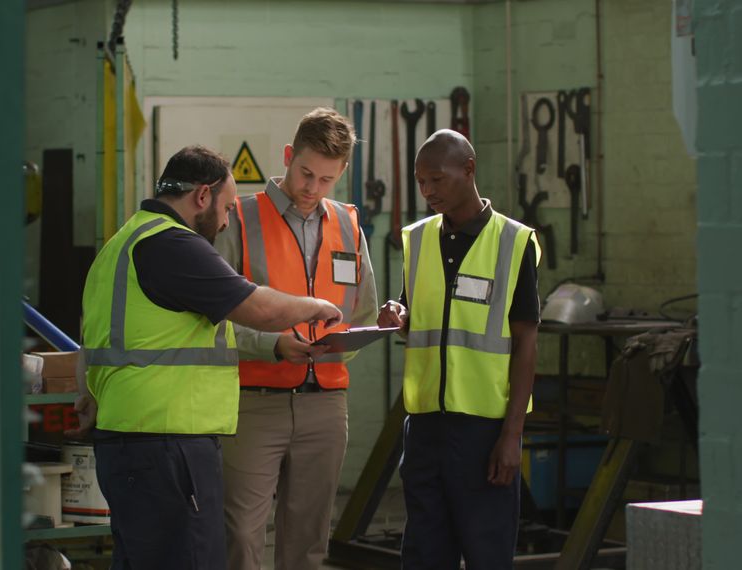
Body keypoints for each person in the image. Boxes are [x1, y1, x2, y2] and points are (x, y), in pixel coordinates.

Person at [71, 145, 344, 570]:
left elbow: (90, 339)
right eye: (227, 207)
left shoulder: (120, 244)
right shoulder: (172, 244)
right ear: (202, 196)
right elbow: (259, 308)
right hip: (169, 446)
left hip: (124, 440)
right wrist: (316, 306)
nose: (226, 219)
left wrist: (85, 393)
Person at [214, 108, 378, 570]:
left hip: (325, 405)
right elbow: (211, 318)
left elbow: (362, 310)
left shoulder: (348, 225)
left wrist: (357, 335)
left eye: (327, 179)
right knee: (241, 534)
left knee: (308, 540)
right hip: (254, 401)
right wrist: (273, 344)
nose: (312, 188)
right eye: (306, 173)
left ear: (342, 173)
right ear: (289, 156)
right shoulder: (239, 220)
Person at [377, 129, 541, 569]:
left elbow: (526, 342)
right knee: (425, 553)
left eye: (436, 179)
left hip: (484, 431)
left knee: (487, 551)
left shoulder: (513, 242)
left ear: (468, 170)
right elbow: (414, 316)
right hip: (426, 426)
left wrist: (511, 436)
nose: (427, 191)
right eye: (420, 182)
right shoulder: (417, 239)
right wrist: (397, 316)